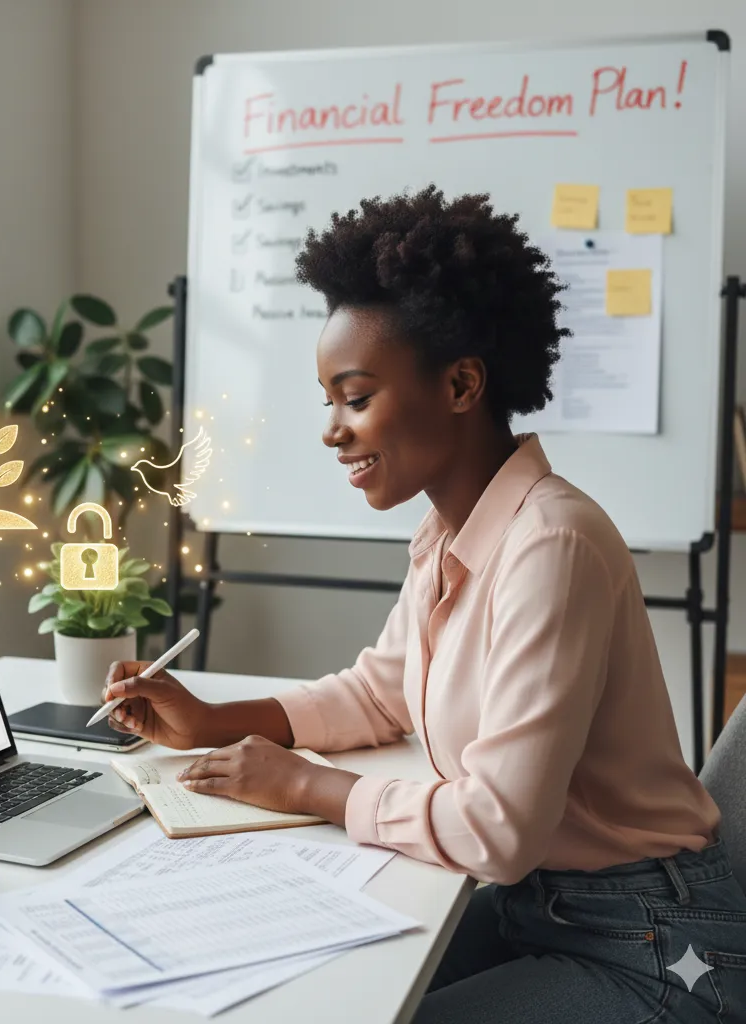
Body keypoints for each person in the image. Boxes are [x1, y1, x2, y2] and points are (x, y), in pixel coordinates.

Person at [101, 186, 746, 1022]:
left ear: (462, 384)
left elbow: (498, 831)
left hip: (654, 944)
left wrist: (309, 786)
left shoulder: (552, 544)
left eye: (356, 396)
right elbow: (380, 694)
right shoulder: (450, 535)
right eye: (329, 401)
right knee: (320, 991)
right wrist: (211, 721)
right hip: (545, 906)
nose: (333, 429)